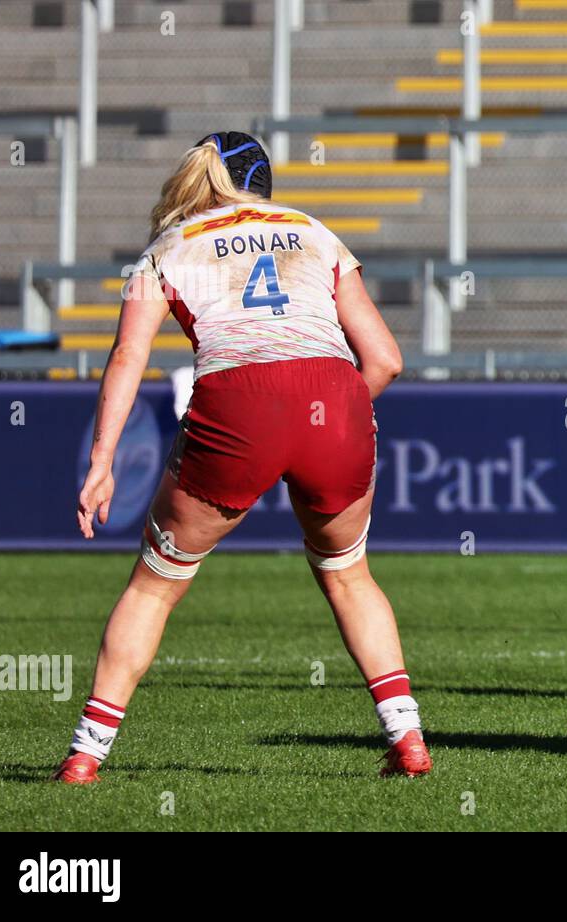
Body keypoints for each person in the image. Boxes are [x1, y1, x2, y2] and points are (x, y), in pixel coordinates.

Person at [53, 132, 431, 783]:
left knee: (153, 587)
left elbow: (126, 359)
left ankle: (86, 757)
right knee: (349, 576)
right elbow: (387, 360)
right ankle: (409, 741)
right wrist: (332, 411)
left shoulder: (167, 248)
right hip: (331, 399)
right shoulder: (312, 230)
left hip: (238, 404)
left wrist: (101, 460)